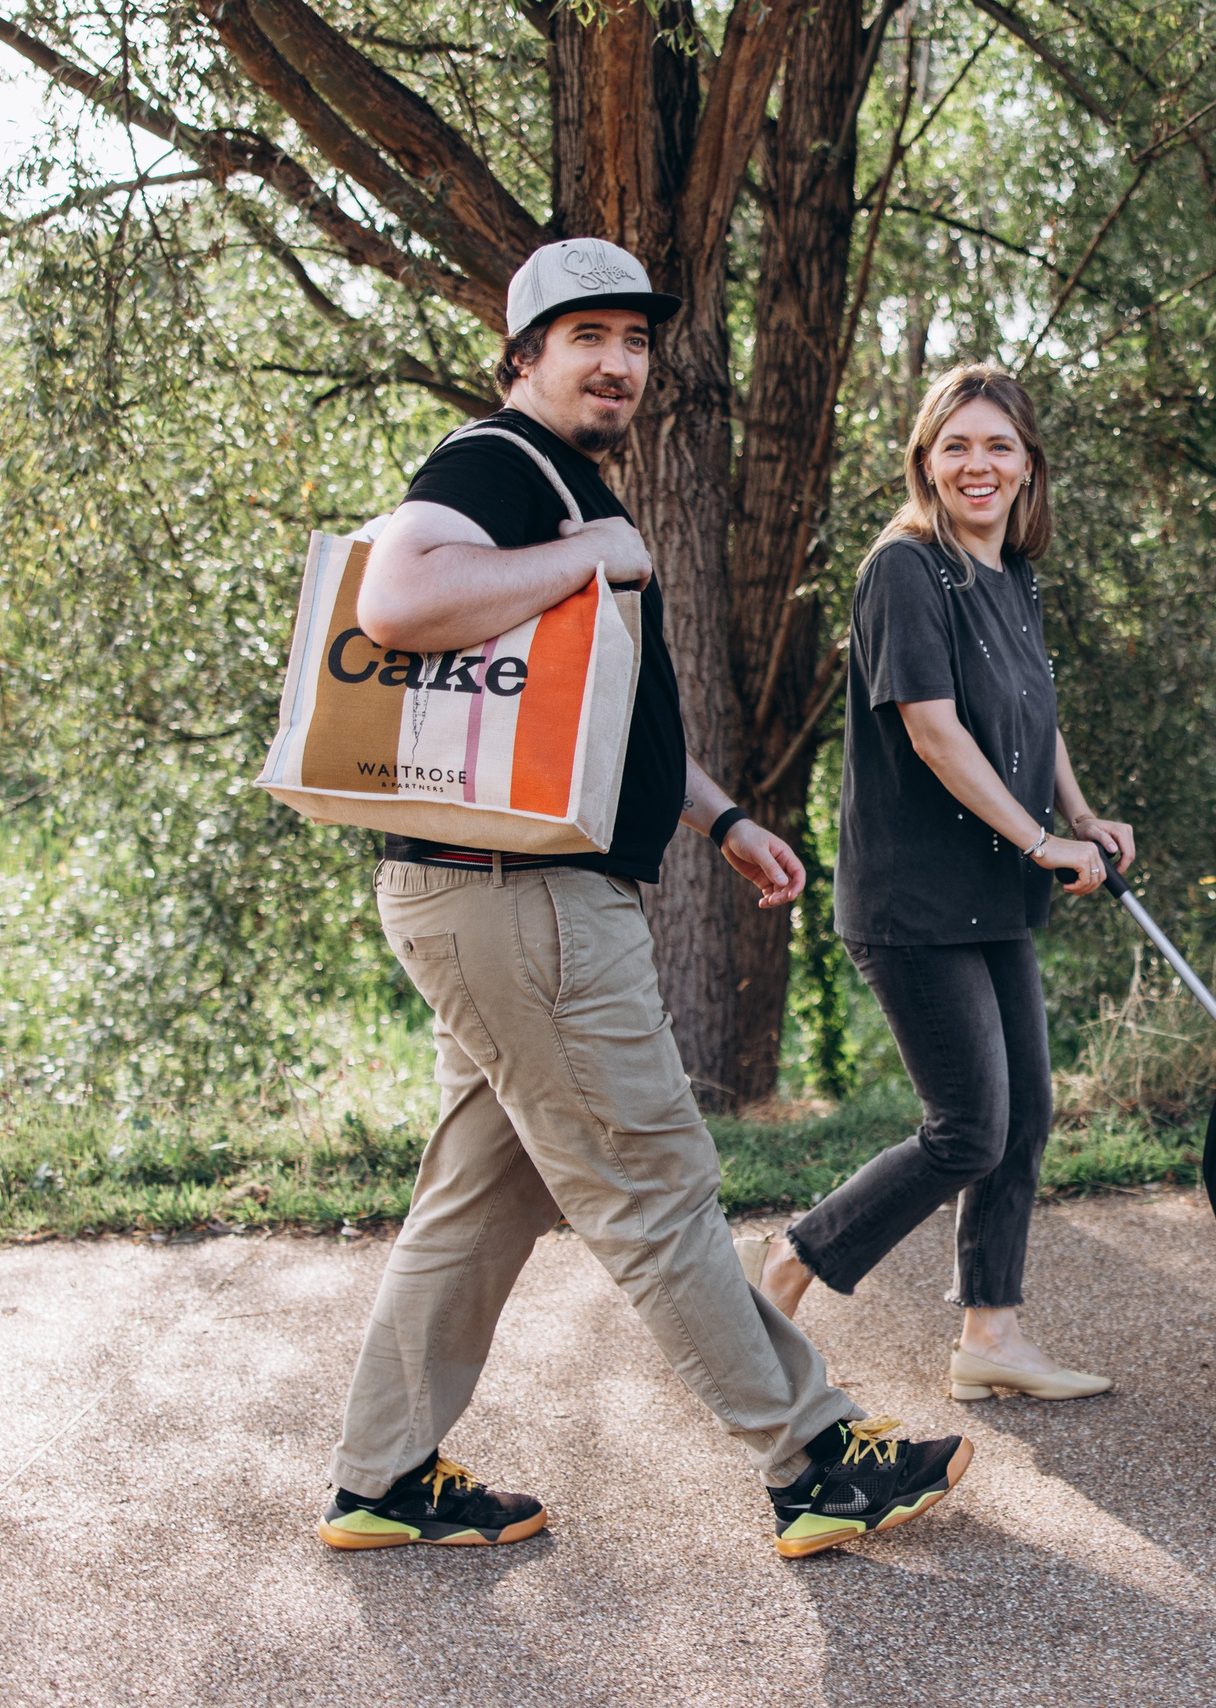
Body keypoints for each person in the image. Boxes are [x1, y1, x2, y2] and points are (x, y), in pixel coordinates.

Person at [316, 238, 968, 1561]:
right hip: (524, 903)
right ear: (525, 356)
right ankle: (815, 1458)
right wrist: (590, 554)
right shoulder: (494, 465)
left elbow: (595, 720)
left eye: (634, 339)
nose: (618, 362)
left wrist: (717, 814)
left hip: (499, 897)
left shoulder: (558, 487)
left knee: (481, 1201)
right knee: (655, 1184)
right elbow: (394, 598)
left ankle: (382, 1480)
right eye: (585, 337)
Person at [751, 363, 1128, 1406]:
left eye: (998, 445)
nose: (979, 464)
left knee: (1027, 1112)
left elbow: (1031, 716)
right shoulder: (904, 570)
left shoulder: (1013, 576)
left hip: (993, 892)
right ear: (925, 460)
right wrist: (1040, 840)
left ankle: (991, 1334)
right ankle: (784, 1270)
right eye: (956, 445)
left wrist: (1082, 817)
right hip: (914, 896)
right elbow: (932, 729)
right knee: (968, 1126)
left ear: (1027, 467)